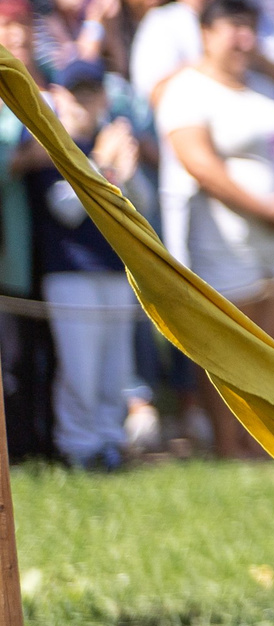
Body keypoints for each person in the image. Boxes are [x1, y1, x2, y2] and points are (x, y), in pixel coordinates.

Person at [157, 0, 274, 458]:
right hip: (225, 239)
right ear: (207, 34)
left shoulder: (265, 86)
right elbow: (199, 164)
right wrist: (263, 208)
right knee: (230, 349)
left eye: (251, 28)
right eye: (233, 28)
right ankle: (230, 449)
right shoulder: (186, 89)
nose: (245, 39)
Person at [31, 61, 145, 469]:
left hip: (114, 268)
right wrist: (104, 164)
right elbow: (65, 210)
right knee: (80, 370)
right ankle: (78, 447)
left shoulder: (110, 140)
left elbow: (139, 208)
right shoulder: (52, 145)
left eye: (91, 93)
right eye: (76, 93)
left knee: (115, 368)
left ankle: (109, 444)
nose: (84, 102)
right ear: (60, 96)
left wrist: (124, 172)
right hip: (69, 270)